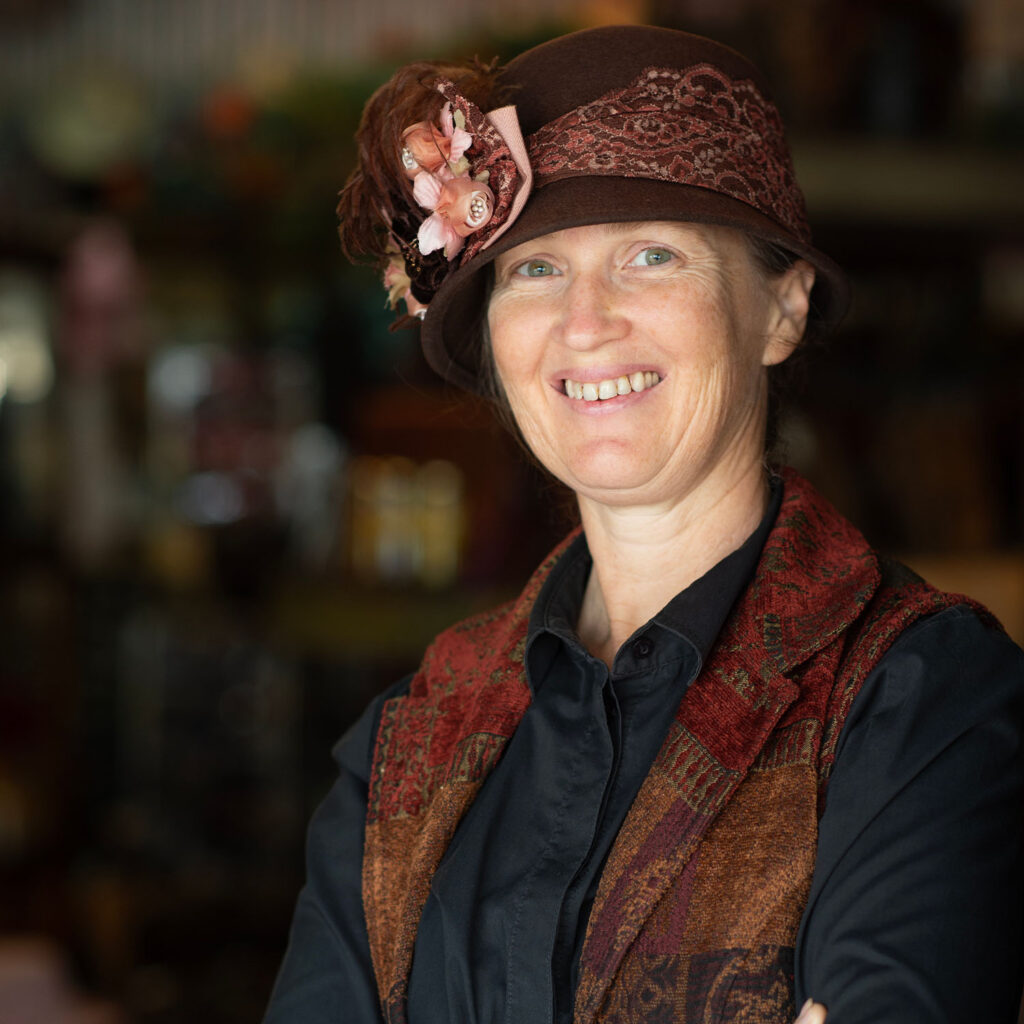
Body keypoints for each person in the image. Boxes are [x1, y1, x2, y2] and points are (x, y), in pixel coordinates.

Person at [263, 25, 1024, 1024]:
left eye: (649, 254)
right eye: (534, 269)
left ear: (780, 312)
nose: (584, 322)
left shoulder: (920, 702)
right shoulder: (407, 745)